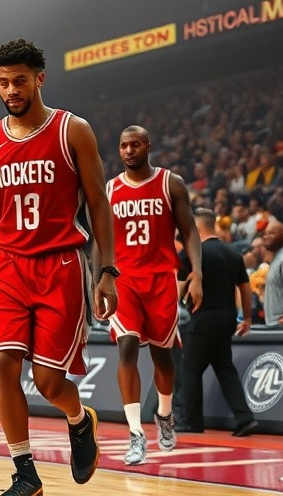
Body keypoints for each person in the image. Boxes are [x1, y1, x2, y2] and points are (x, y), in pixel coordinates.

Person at [0, 39, 117, 496]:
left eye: (19, 81)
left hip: (61, 263)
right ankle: (25, 473)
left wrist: (108, 270)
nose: (10, 90)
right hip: (6, 266)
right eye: (3, 83)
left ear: (39, 78)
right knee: (2, 362)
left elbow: (99, 203)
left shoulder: (72, 130)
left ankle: (79, 421)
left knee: (48, 381)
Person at [103, 125, 203, 465]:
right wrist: (99, 280)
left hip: (162, 278)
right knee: (127, 346)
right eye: (123, 146)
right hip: (125, 279)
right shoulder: (110, 189)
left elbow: (190, 230)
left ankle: (164, 413)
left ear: (148, 146)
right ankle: (135, 433)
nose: (129, 151)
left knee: (163, 357)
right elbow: (100, 242)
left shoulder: (169, 183)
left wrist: (197, 273)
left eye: (135, 144)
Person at [177, 209, 257, 436]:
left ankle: (192, 422)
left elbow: (178, 288)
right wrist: (248, 318)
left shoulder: (192, 252)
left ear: (196, 226)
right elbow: (245, 287)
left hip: (203, 317)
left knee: (189, 368)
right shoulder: (233, 254)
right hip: (228, 317)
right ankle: (245, 418)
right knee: (224, 368)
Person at [262, 221, 283, 326]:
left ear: (282, 237)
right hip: (275, 324)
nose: (265, 236)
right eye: (265, 233)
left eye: (271, 233)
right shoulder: (279, 256)